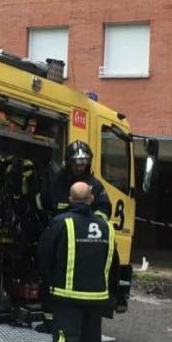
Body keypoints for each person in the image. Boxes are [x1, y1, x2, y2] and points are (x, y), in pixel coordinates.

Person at [36, 181, 120, 342]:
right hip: (96, 301)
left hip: (67, 300)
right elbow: (114, 268)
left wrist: (50, 286)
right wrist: (109, 295)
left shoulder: (61, 223)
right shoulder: (107, 228)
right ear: (91, 198)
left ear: (71, 200)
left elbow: (43, 258)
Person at [37, 141, 124, 328]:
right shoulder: (56, 183)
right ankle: (49, 320)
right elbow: (45, 205)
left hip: (84, 243)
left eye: (84, 161)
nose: (80, 165)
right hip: (60, 240)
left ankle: (107, 302)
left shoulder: (95, 186)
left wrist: (85, 223)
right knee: (49, 274)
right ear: (68, 161)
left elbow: (103, 211)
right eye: (76, 161)